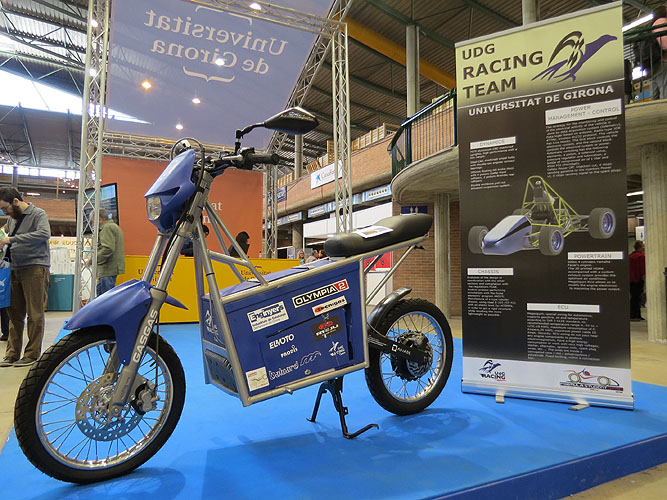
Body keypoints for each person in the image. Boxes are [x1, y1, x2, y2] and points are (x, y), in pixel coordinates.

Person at [0, 187, 50, 367]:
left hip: (35, 268)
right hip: (14, 268)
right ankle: (12, 354)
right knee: (14, 314)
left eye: (5, 208)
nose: (4, 213)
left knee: (35, 314)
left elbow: (44, 234)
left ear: (15, 201)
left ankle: (31, 354)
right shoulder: (11, 219)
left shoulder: (38, 214)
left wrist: (11, 240)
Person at [96, 208, 125, 297]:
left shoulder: (107, 228)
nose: (93, 225)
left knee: (104, 298)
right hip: (112, 268)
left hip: (107, 268)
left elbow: (107, 248)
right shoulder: (114, 226)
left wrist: (95, 259)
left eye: (93, 222)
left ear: (99, 219)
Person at [629, 240, 646, 321]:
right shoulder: (641, 256)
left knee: (633, 298)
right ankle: (635, 315)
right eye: (643, 246)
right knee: (638, 298)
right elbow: (642, 269)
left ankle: (635, 314)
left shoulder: (630, 256)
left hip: (631, 280)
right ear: (640, 247)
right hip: (638, 280)